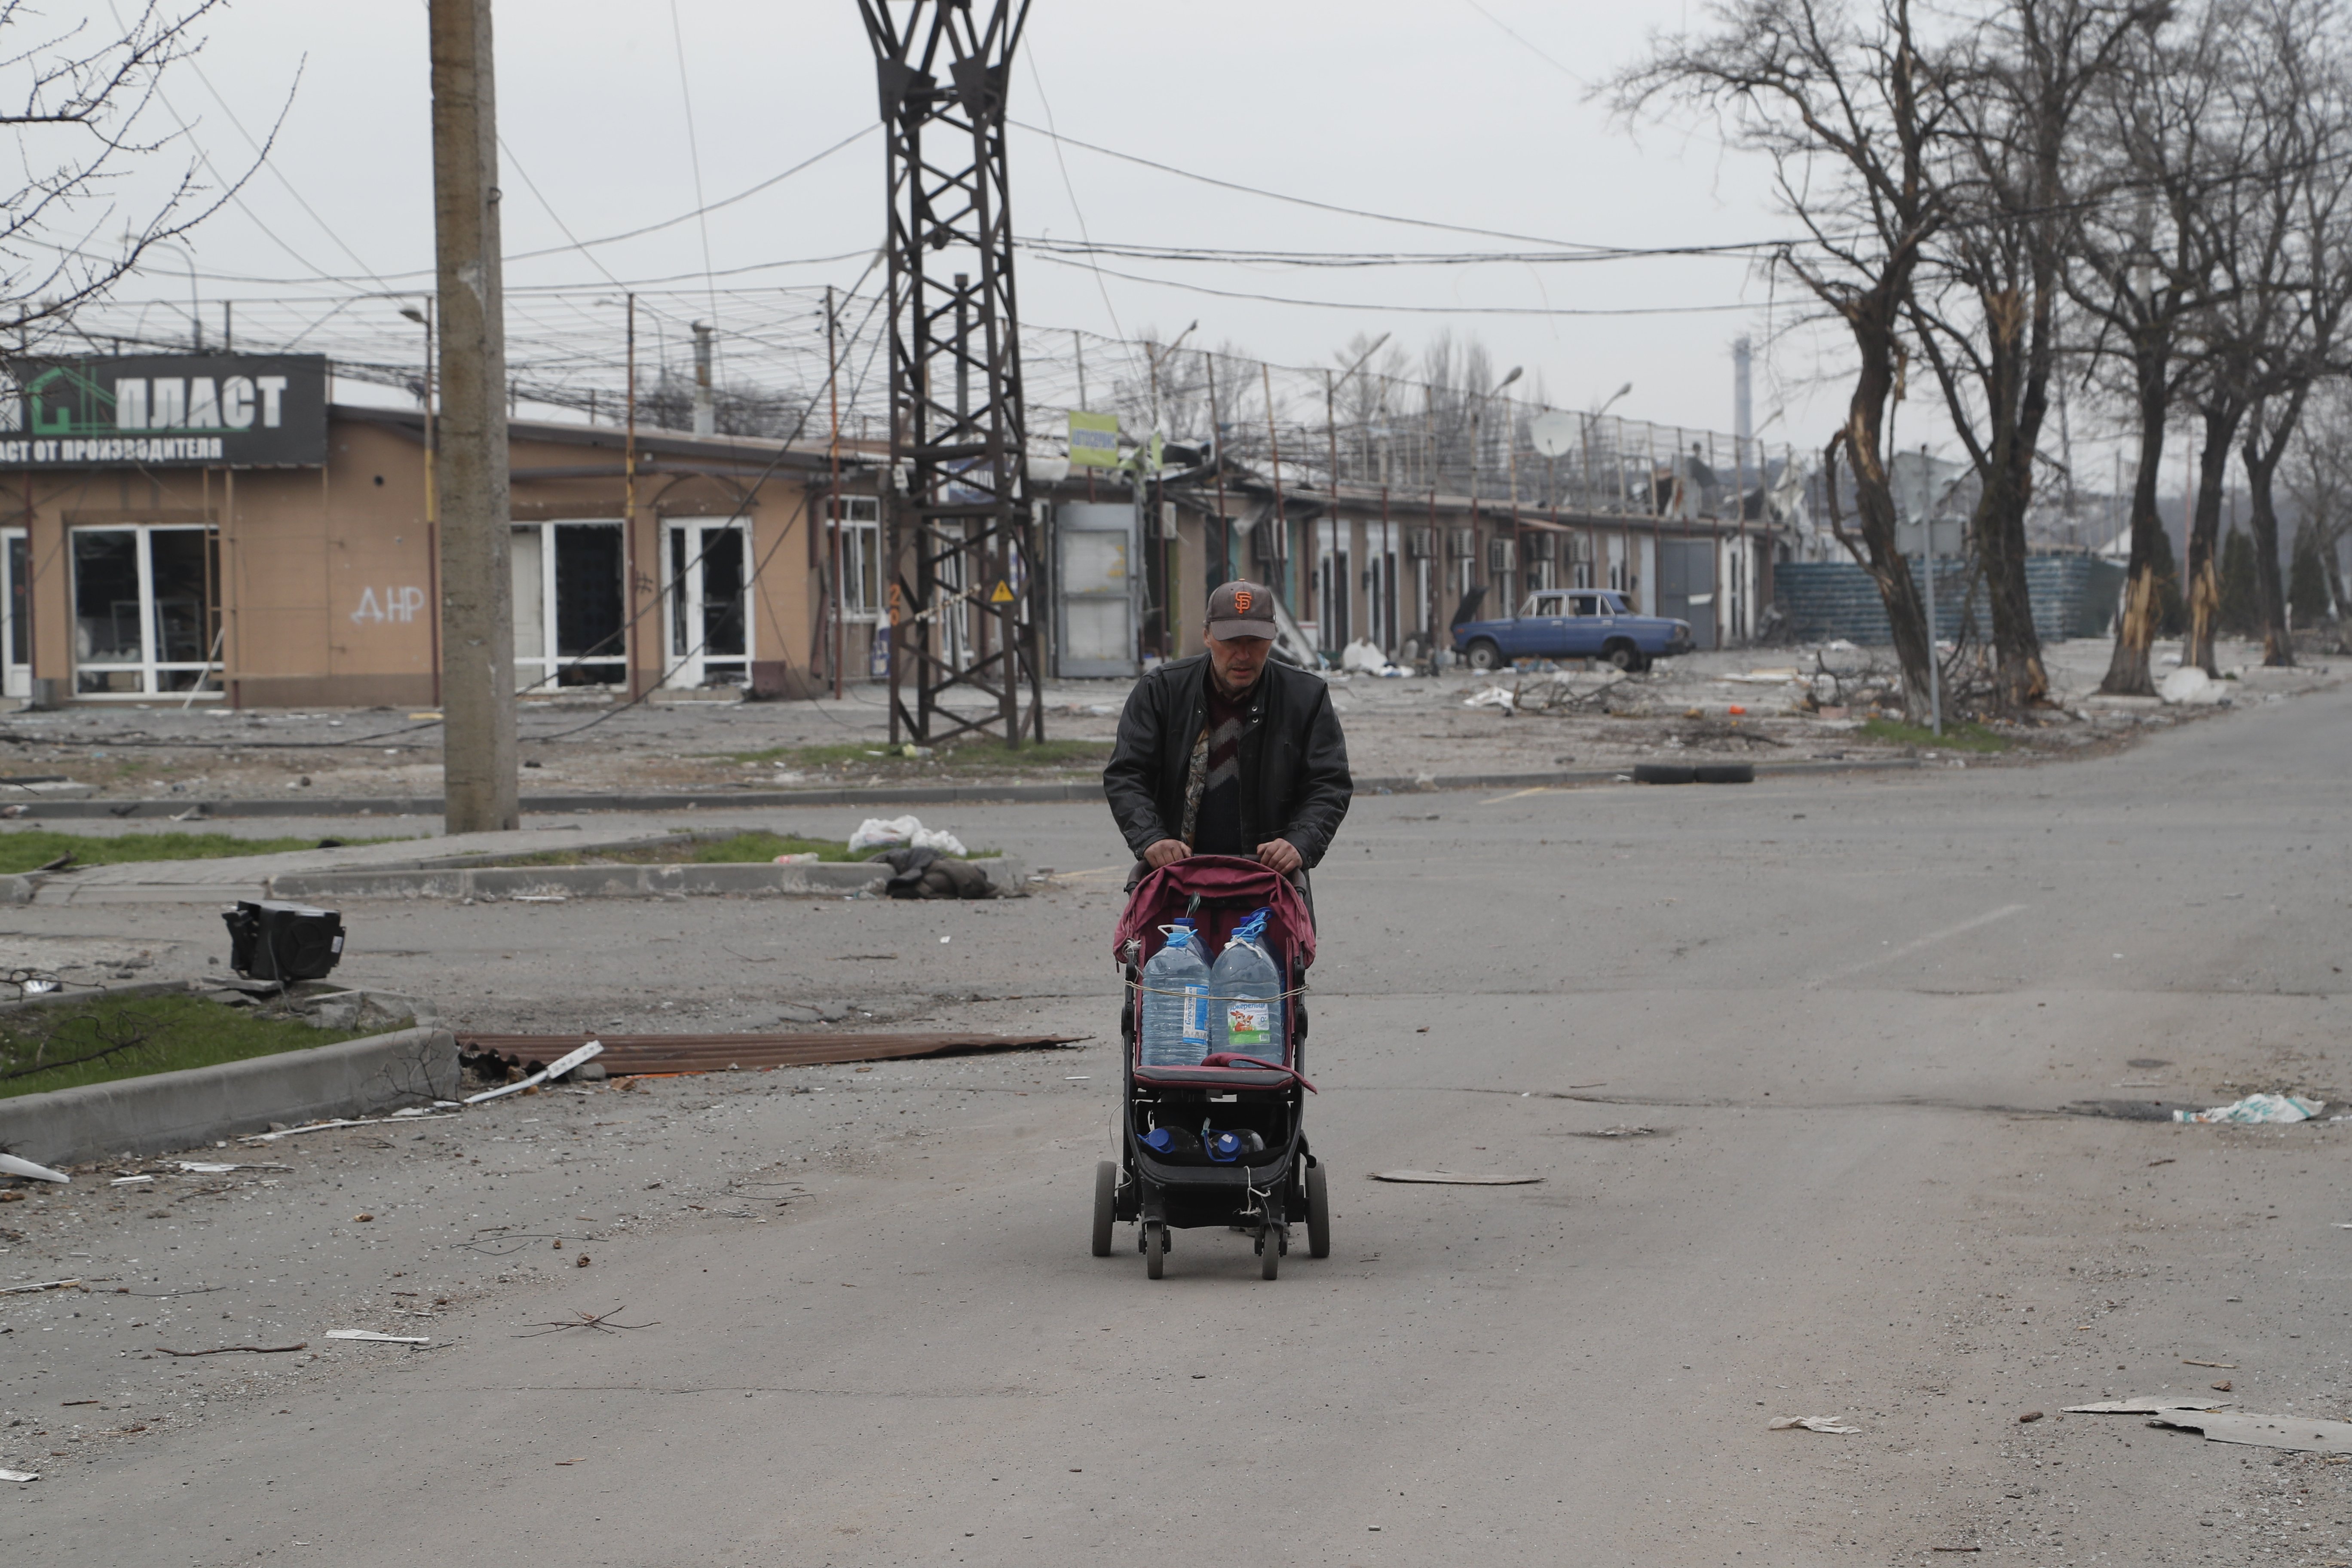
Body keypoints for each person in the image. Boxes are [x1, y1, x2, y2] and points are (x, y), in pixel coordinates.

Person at [1103, 579, 1352, 894]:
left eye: (1255, 641)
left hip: (1270, 882)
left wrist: (1298, 844)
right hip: (1178, 880)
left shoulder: (1306, 696)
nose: (1243, 654)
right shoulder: (1162, 691)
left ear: (1272, 638)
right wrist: (1151, 838)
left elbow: (1329, 783)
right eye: (1231, 640)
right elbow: (1127, 774)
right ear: (1207, 635)